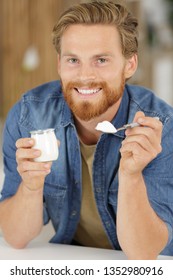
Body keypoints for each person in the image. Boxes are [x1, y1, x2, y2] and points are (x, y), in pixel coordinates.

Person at [0, 0, 173, 260]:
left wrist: (132, 175)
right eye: (73, 60)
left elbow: (145, 254)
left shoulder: (160, 127)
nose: (84, 75)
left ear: (130, 65)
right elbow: (15, 237)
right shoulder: (30, 117)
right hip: (74, 262)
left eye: (101, 60)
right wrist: (31, 187)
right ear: (59, 63)